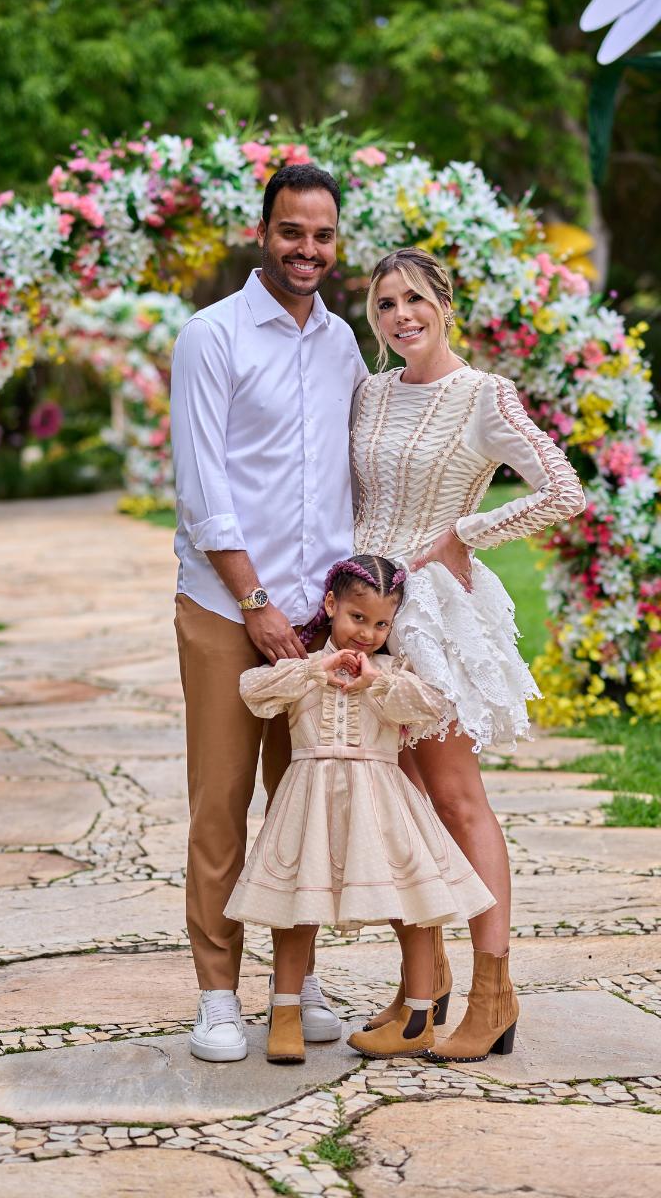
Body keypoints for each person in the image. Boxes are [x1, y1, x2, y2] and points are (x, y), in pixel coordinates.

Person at [351, 246, 586, 1062]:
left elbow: (563, 489)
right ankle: (424, 990)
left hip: (431, 624)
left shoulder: (483, 395)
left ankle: (495, 991)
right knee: (393, 806)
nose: (401, 315)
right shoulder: (370, 393)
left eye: (414, 298)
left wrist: (467, 533)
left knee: (454, 802)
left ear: (444, 303)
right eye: (385, 305)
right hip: (363, 622)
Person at [171, 164, 369, 1062]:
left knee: (307, 806)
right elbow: (203, 486)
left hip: (318, 628)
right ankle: (219, 993)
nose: (308, 251)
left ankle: (297, 984)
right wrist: (253, 602)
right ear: (264, 232)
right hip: (225, 611)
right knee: (221, 805)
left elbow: (359, 473)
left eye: (322, 236)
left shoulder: (343, 348)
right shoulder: (210, 337)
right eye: (293, 232)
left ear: (337, 242)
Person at [224, 555, 495, 1064]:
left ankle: (417, 1018)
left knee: (412, 907)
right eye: (357, 618)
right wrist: (314, 669)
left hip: (380, 804)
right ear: (331, 606)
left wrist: (376, 681)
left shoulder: (391, 672)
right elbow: (252, 691)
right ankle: (285, 1016)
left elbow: (432, 704)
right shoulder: (304, 669)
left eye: (381, 624)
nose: (367, 633)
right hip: (311, 800)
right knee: (298, 908)